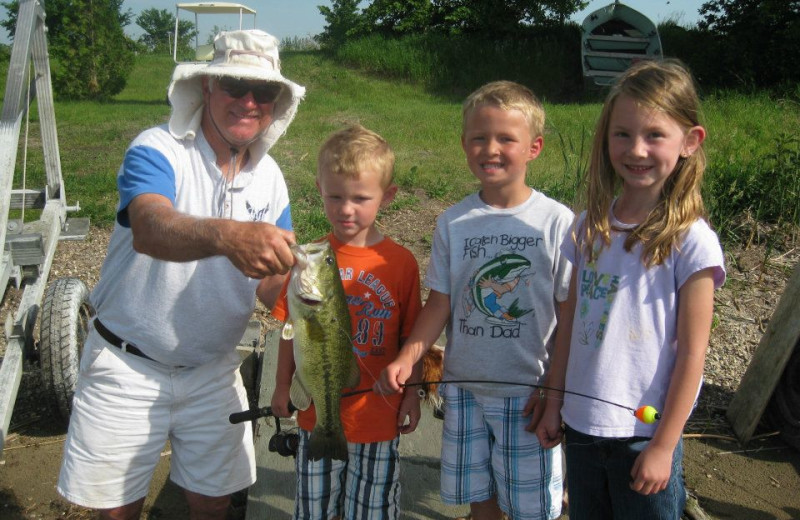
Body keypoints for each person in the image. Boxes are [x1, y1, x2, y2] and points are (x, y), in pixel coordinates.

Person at [56, 29, 305, 519]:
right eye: (235, 85)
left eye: (265, 92)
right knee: (116, 510)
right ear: (207, 86)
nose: (249, 101)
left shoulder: (270, 177)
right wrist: (226, 236)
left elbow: (269, 282)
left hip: (213, 368)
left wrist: (308, 294)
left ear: (277, 102)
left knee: (214, 503)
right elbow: (150, 225)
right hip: (128, 364)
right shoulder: (158, 148)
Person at [535, 59, 727, 520]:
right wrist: (553, 401)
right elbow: (569, 327)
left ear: (689, 142)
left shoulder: (691, 241)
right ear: (605, 139)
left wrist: (664, 445)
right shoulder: (587, 228)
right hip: (581, 429)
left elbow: (692, 355)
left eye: (654, 135)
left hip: (644, 434)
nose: (636, 149)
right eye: (622, 134)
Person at [375, 80, 572, 520]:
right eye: (479, 138)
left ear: (534, 147)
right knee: (479, 497)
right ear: (464, 144)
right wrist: (408, 359)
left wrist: (554, 392)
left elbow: (568, 314)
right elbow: (439, 302)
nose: (491, 149)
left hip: (528, 394)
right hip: (463, 389)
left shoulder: (557, 222)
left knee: (531, 505)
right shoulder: (454, 222)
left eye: (506, 138)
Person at [270, 124, 424, 520]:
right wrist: (282, 385)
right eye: (334, 196)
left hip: (379, 420)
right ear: (320, 189)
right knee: (315, 510)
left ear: (386, 197)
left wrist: (412, 393)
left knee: (372, 512)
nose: (345, 208)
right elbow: (291, 333)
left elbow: (413, 337)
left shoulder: (401, 263)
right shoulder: (309, 261)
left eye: (360, 198)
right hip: (314, 418)